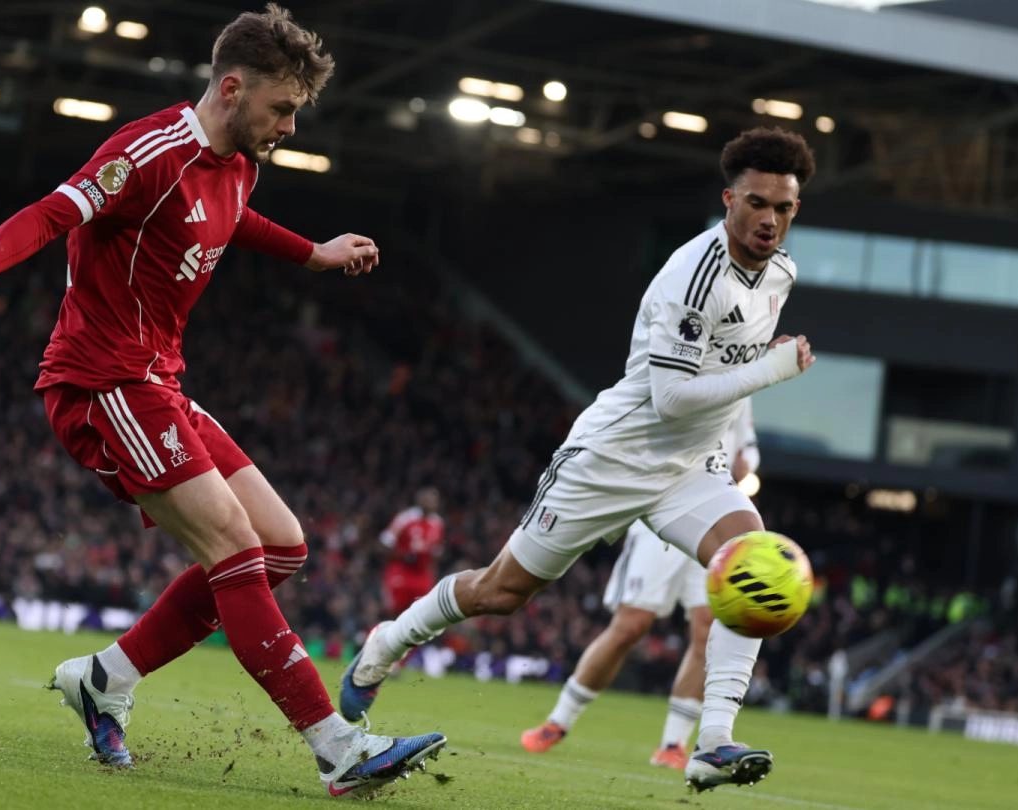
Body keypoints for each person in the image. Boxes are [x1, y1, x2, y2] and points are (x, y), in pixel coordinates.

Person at [0, 4, 443, 798]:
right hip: (101, 384)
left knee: (282, 548)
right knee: (236, 553)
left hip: (158, 381)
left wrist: (312, 254)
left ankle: (105, 676)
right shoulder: (146, 151)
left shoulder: (239, 161)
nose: (291, 128)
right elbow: (54, 211)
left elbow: (232, 222)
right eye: (281, 109)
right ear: (230, 89)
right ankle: (337, 747)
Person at [340, 127, 815, 793]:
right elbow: (674, 397)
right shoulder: (694, 276)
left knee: (752, 564)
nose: (771, 220)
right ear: (729, 198)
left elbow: (722, 386)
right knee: (501, 592)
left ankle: (710, 743)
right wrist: (770, 370)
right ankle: (386, 643)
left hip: (690, 467)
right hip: (613, 456)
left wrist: (752, 410)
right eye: (758, 203)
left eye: (785, 208)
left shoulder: (781, 274)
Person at [521, 399, 760, 769]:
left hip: (714, 510)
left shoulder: (743, 378)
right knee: (631, 625)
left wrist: (748, 464)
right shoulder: (682, 363)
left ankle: (673, 744)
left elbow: (746, 444)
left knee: (706, 630)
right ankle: (559, 720)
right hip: (665, 506)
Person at [381, 487, 446, 616]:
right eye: (428, 499)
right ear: (419, 500)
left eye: (434, 500)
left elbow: (437, 551)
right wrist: (403, 556)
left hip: (422, 574)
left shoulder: (438, 523)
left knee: (422, 616)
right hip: (402, 571)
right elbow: (384, 544)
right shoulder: (405, 519)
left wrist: (430, 563)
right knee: (395, 613)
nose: (431, 503)